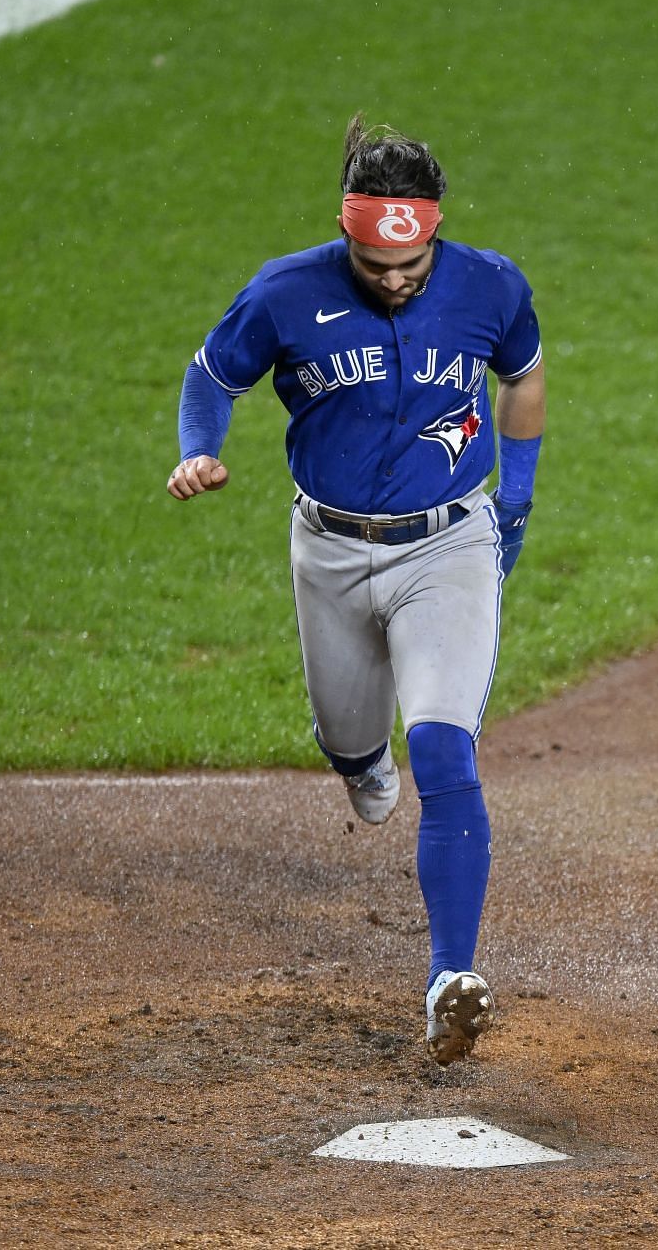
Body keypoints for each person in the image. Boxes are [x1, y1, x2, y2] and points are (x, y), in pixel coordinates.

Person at [167, 114, 545, 1065]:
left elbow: (524, 381)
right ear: (349, 233)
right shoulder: (286, 292)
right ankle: (356, 763)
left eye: (408, 269)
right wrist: (199, 452)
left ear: (432, 232)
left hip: (447, 546)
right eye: (375, 267)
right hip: (329, 550)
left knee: (445, 748)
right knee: (352, 744)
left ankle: (450, 974)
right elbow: (211, 377)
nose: (393, 282)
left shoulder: (490, 285)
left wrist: (520, 503)